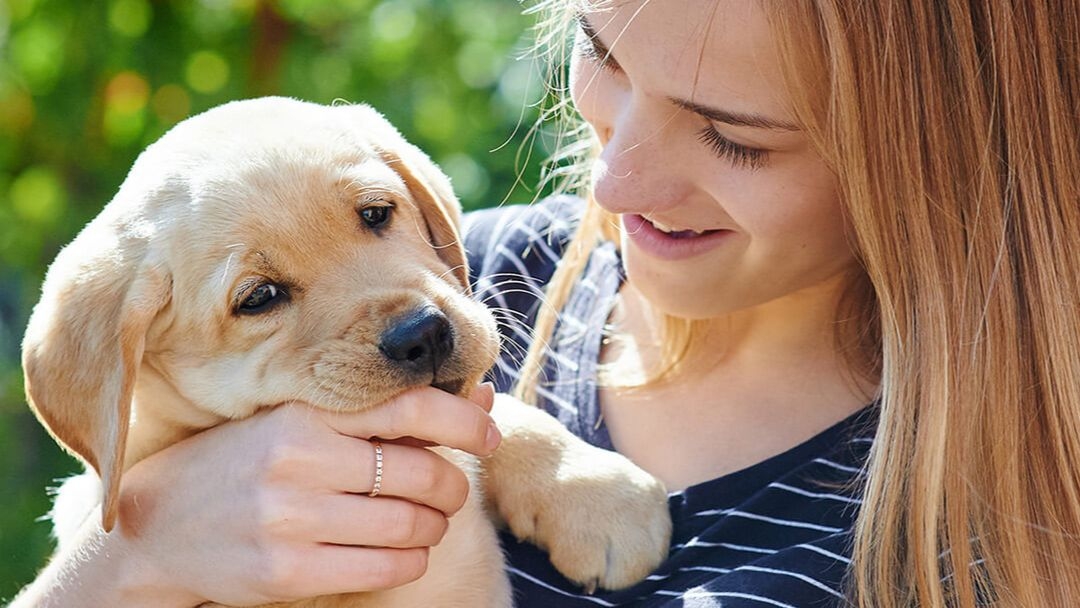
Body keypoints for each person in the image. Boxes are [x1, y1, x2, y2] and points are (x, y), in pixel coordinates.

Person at [11, 0, 1080, 606]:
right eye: (603, 55)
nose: (607, 187)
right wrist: (136, 547)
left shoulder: (993, 528)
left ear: (928, 153)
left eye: (732, 135)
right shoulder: (488, 277)